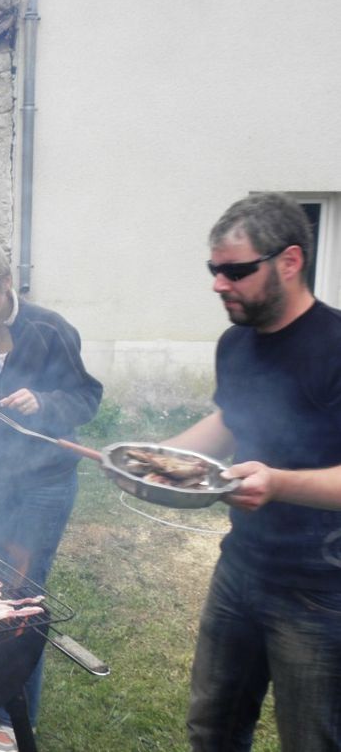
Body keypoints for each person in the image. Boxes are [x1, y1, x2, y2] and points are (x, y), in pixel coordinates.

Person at [161, 192, 341, 751]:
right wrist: (152, 457)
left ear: (289, 262)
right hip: (240, 569)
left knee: (312, 742)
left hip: (319, 587)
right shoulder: (235, 343)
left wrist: (280, 483)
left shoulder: (336, 347)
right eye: (215, 270)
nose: (219, 284)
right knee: (212, 728)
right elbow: (229, 421)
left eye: (236, 271)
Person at [0, 240, 102, 752]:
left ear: (6, 283)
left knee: (23, 594)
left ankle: (15, 722)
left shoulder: (51, 329)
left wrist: (46, 400)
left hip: (45, 483)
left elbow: (87, 398)